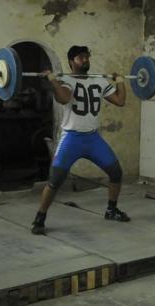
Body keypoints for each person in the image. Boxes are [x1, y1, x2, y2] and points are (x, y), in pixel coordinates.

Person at [31, 45, 129, 235]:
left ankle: (111, 209)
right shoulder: (66, 80)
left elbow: (120, 101)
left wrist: (120, 82)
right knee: (55, 180)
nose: (85, 60)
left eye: (86, 57)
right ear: (71, 62)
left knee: (116, 172)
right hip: (72, 139)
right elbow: (64, 99)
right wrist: (53, 80)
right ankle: (40, 218)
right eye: (80, 58)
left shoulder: (99, 81)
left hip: (92, 138)